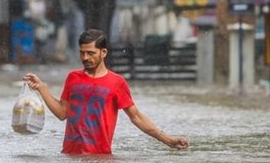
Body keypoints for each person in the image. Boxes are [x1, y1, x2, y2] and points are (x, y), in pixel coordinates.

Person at [24, 29, 189, 154]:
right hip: (69, 158)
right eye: (82, 53)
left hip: (100, 160)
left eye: (91, 53)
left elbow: (136, 117)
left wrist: (167, 139)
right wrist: (42, 89)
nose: (85, 57)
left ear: (103, 53)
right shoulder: (73, 77)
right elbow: (62, 113)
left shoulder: (117, 82)